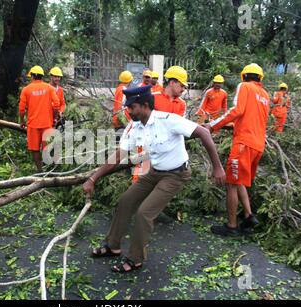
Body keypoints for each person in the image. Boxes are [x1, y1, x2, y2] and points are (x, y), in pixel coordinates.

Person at [83, 85, 226, 272]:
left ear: (144, 105)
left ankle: (135, 259)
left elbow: (204, 133)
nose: (128, 111)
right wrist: (93, 178)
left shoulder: (168, 120)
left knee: (144, 213)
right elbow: (118, 156)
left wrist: (217, 167)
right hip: (154, 172)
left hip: (176, 174)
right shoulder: (134, 127)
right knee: (125, 201)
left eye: (131, 107)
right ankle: (113, 245)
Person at [203, 63, 270, 236]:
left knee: (231, 184)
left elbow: (237, 110)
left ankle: (232, 226)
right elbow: (252, 119)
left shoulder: (244, 86)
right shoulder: (264, 95)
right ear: (260, 78)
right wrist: (231, 126)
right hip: (258, 145)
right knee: (239, 180)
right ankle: (249, 216)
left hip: (243, 144)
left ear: (244, 76)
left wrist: (212, 125)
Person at [19, 65, 60, 172]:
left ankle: (40, 171)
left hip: (33, 125)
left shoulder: (26, 90)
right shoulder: (49, 88)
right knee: (46, 147)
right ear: (42, 76)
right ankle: (51, 169)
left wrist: (22, 121)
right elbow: (56, 104)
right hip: (47, 124)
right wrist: (54, 118)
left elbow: (22, 109)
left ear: (32, 76)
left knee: (35, 149)